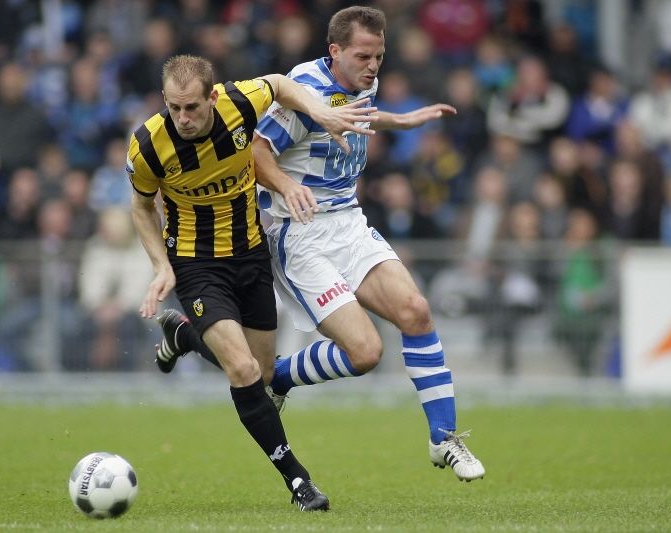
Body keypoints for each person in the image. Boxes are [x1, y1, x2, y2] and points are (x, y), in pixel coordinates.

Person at [127, 54, 376, 511]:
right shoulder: (147, 144)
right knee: (241, 370)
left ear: (212, 97)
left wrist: (319, 110)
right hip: (197, 265)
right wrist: (161, 266)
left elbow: (279, 82)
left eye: (192, 107)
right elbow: (142, 208)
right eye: (174, 107)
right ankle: (299, 481)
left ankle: (183, 335)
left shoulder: (239, 102)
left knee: (260, 375)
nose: (183, 118)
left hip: (250, 254)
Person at [250, 6, 485, 482]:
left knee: (415, 311)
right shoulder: (304, 91)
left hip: (349, 222)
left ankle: (444, 438)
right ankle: (279, 376)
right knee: (365, 353)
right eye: (363, 56)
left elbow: (358, 113)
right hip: (302, 233)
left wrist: (402, 121)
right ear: (334, 51)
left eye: (379, 56)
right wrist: (287, 186)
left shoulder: (360, 80)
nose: (373, 66)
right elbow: (256, 151)